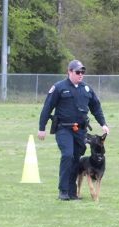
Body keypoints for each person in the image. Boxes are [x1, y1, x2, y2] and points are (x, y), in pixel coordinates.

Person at [38, 60, 110, 201]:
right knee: (68, 155)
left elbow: (96, 107)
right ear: (69, 72)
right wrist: (42, 128)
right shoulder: (59, 88)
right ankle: (63, 191)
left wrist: (103, 123)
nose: (80, 74)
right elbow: (47, 107)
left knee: (76, 160)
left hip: (80, 131)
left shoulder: (87, 89)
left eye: (82, 72)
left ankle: (72, 192)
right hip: (63, 128)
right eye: (77, 72)